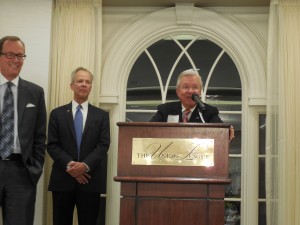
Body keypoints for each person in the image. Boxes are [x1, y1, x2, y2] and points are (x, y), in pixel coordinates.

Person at [47, 67, 110, 225]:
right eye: (80, 81)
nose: (84, 84)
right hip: (62, 180)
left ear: (91, 86)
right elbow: (52, 145)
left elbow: (103, 145)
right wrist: (73, 167)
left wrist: (85, 166)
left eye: (87, 82)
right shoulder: (57, 114)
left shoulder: (101, 116)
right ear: (72, 85)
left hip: (90, 180)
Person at [0, 36, 47, 225]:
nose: (16, 60)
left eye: (20, 56)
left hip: (21, 172)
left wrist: (34, 170)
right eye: (10, 54)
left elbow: (40, 136)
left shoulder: (35, 93)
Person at [150, 69, 234, 140]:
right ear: (178, 91)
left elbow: (222, 131)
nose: (190, 91)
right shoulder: (165, 110)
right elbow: (148, 130)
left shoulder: (209, 112)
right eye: (186, 87)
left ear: (200, 91)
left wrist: (228, 130)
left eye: (195, 87)